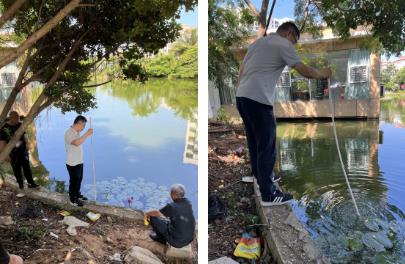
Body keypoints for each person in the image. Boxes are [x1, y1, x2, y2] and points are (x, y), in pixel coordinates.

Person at [236, 22, 332, 206]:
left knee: (255, 143)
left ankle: (261, 177)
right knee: (267, 146)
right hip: (258, 100)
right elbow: (304, 71)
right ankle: (268, 195)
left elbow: (242, 71)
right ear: (288, 33)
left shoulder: (257, 44)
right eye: (294, 41)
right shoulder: (283, 44)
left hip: (242, 97)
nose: (293, 46)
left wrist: (242, 90)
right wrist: (323, 74)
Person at [144, 184, 195, 248]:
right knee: (168, 220)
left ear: (173, 194)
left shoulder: (171, 206)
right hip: (189, 239)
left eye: (170, 193)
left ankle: (161, 239)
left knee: (153, 217)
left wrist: (146, 213)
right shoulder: (188, 202)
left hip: (177, 242)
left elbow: (156, 212)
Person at [0, 111, 39, 189]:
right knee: (16, 169)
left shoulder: (20, 124)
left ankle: (31, 183)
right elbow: (2, 143)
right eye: (15, 119)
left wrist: (27, 144)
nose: (17, 120)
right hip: (13, 153)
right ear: (11, 119)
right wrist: (6, 155)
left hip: (23, 151)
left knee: (27, 168)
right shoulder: (4, 128)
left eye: (18, 118)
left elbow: (25, 135)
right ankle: (20, 184)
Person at [64, 115, 93, 207]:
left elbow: (79, 141)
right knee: (74, 180)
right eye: (83, 126)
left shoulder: (77, 132)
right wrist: (87, 134)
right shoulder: (69, 133)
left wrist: (84, 134)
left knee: (79, 179)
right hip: (72, 163)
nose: (84, 128)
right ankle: (73, 199)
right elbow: (76, 143)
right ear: (78, 123)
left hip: (79, 161)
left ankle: (77, 194)